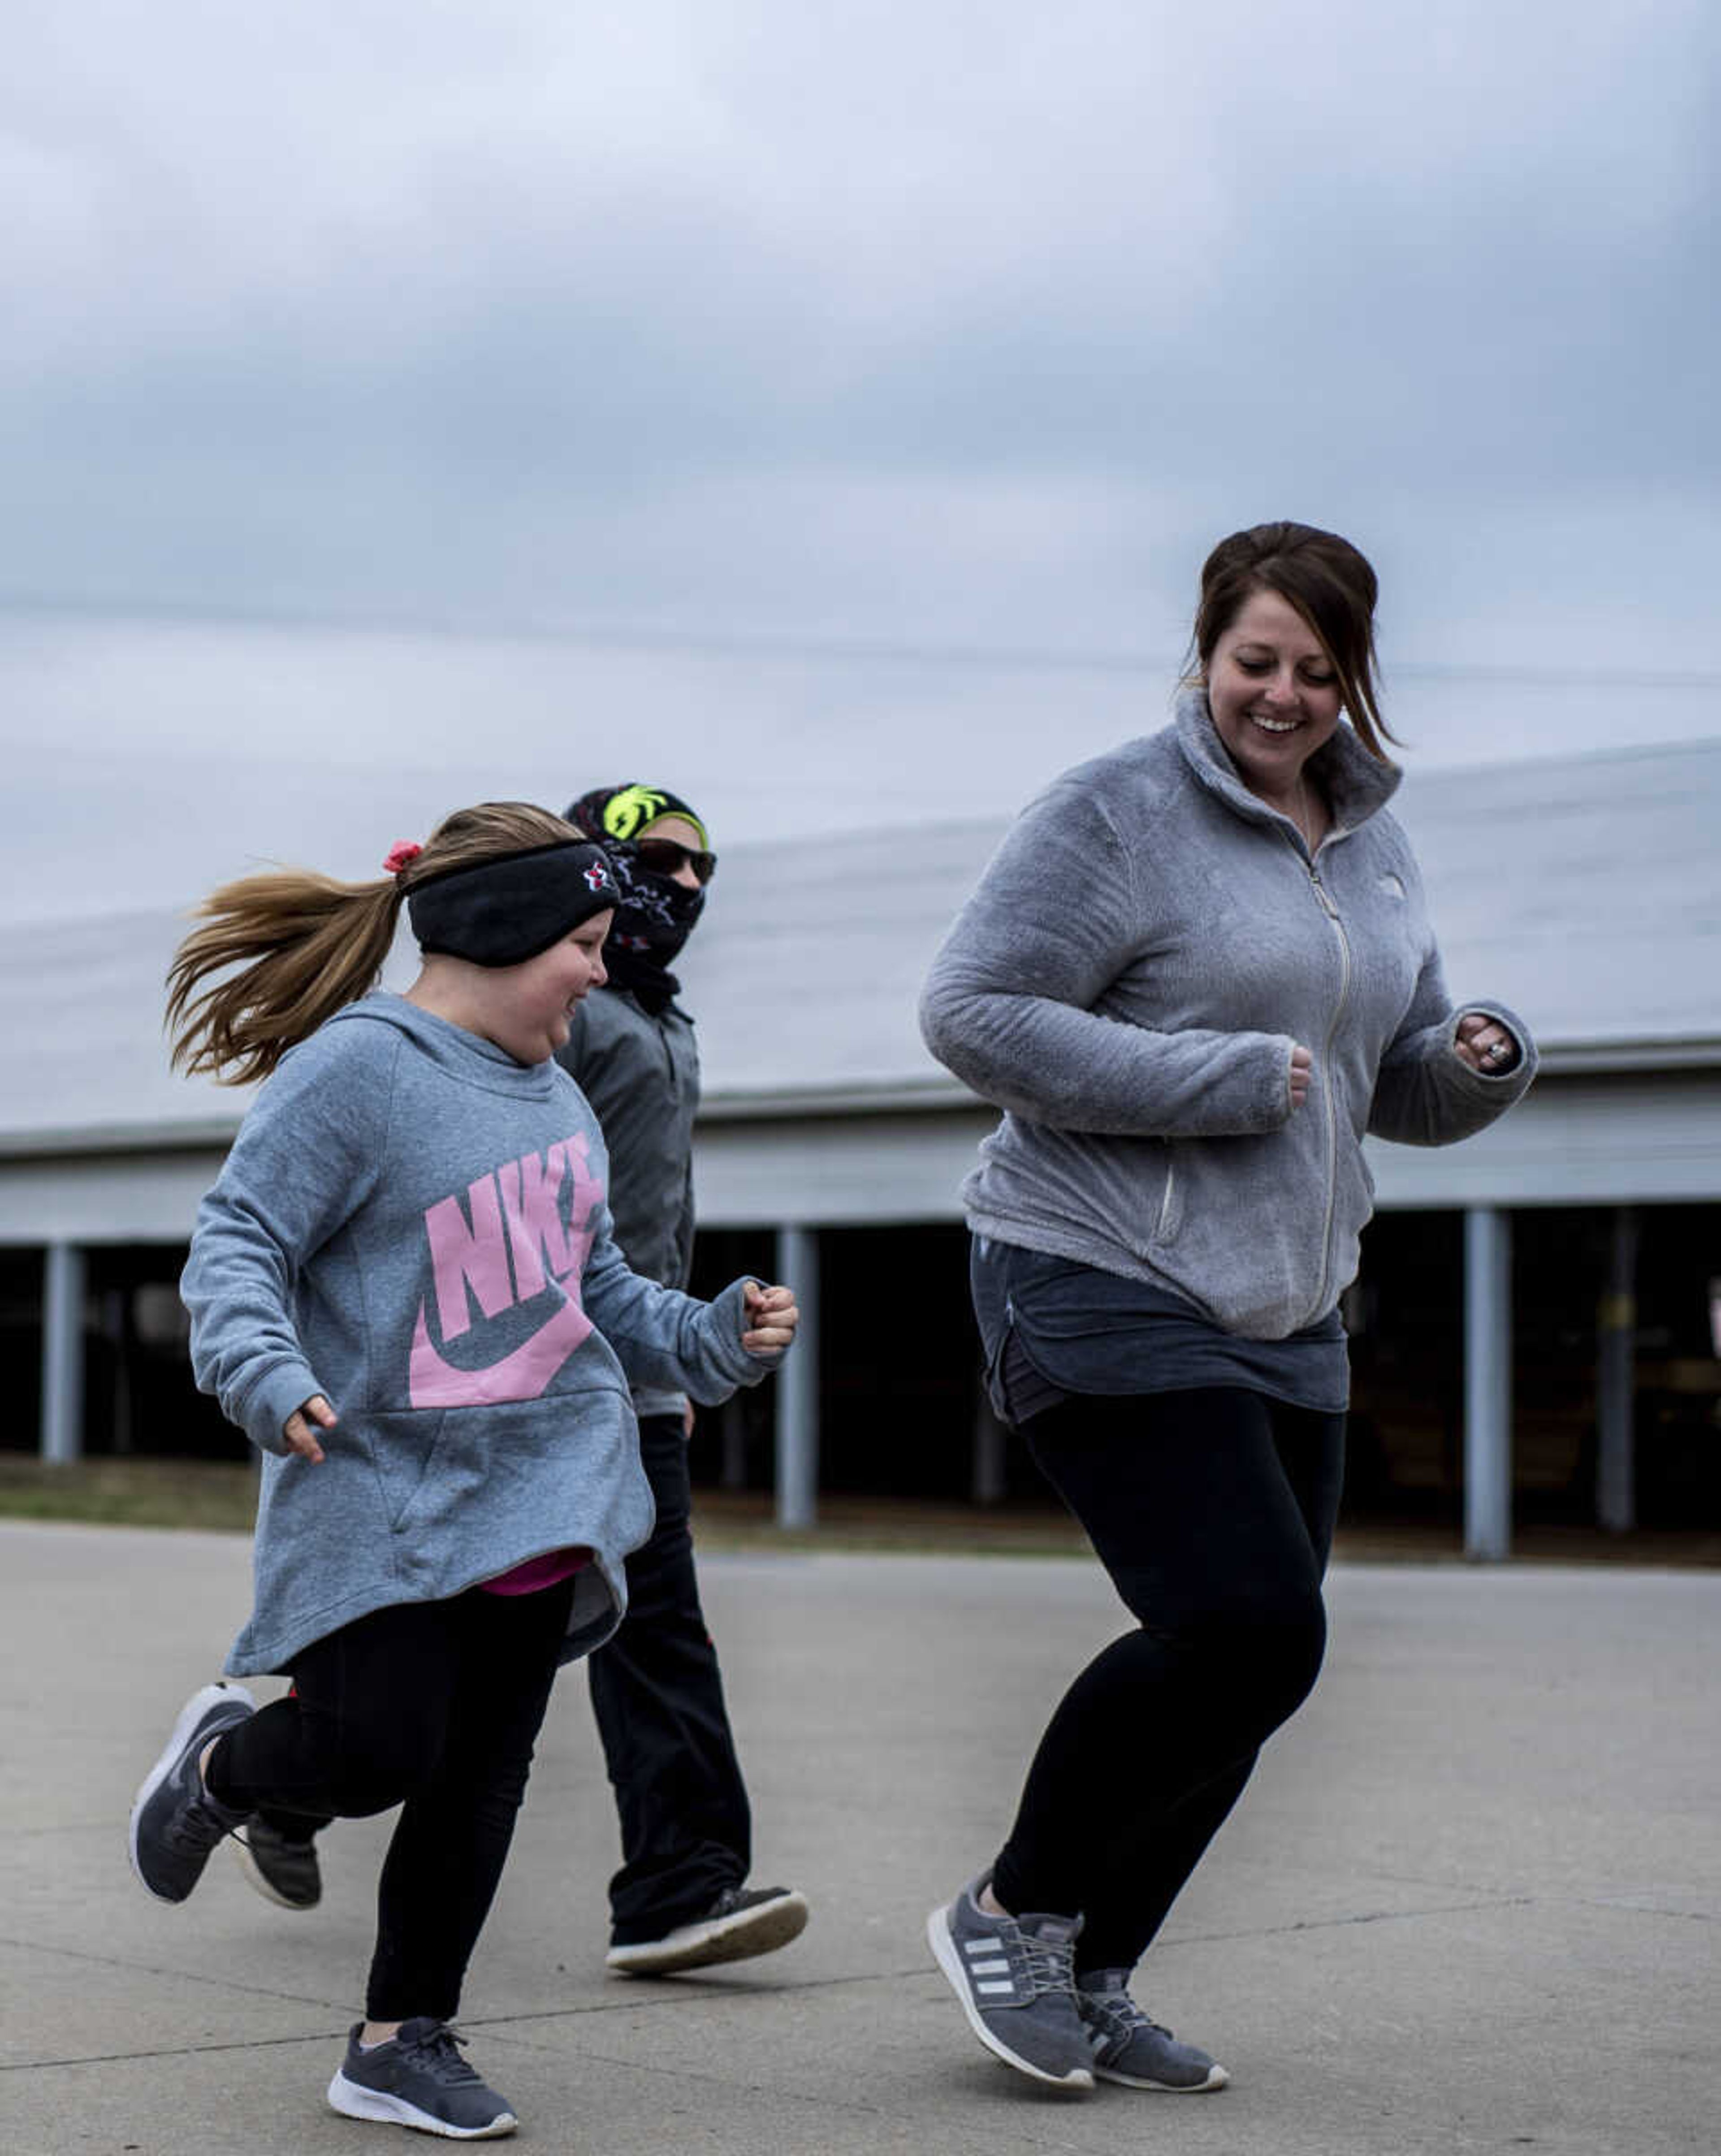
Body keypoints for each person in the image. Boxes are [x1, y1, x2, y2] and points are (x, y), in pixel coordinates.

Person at [916, 521, 1536, 2097]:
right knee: (1243, 1618)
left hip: (1291, 1300)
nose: (1286, 696)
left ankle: (1098, 1966)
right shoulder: (1117, 809)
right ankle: (1011, 1908)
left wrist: (1475, 1064)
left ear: (1357, 677)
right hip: (1094, 1263)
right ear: (1205, 652)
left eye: (1320, 673)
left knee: (1266, 1660)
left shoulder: (1374, 837)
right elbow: (972, 1013)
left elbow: (1376, 1084)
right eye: (1258, 662)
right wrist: (1219, 1077)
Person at [129, 804, 799, 2141]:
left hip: (541, 1490)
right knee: (374, 1746)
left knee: (480, 1773)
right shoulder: (359, 1071)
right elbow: (239, 1241)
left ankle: (399, 2038)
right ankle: (225, 1771)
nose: (602, 974)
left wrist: (710, 1333)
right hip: (380, 1482)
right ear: (502, 932)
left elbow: (597, 1285)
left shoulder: (556, 1095)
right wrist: (266, 1372)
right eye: (590, 943)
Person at [559, 781, 809, 1974]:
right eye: (664, 860)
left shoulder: (667, 1022)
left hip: (636, 1382)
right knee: (448, 1628)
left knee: (656, 1628)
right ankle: (273, 1776)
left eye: (708, 869)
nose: (692, 886)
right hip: (536, 1382)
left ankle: (675, 1886)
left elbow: (658, 1225)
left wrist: (679, 1374)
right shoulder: (565, 1015)